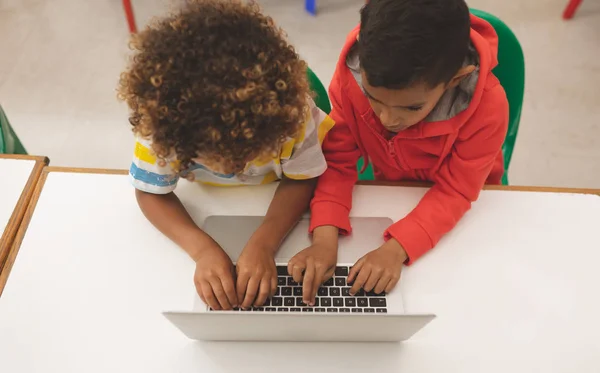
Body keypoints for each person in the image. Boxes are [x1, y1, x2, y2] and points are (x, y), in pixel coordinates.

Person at [118, 0, 334, 311]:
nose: (235, 167)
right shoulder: (164, 128)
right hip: (209, 206)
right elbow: (150, 193)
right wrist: (202, 249)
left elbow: (303, 178)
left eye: (248, 152)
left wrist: (265, 242)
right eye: (215, 157)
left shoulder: (293, 116)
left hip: (275, 201)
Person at [290, 0, 509, 304]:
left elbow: (457, 191)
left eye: (411, 107)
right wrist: (324, 238)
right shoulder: (350, 77)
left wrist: (395, 250)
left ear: (457, 78)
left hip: (466, 209)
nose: (387, 119)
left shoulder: (489, 107)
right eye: (374, 98)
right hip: (393, 189)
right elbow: (338, 162)